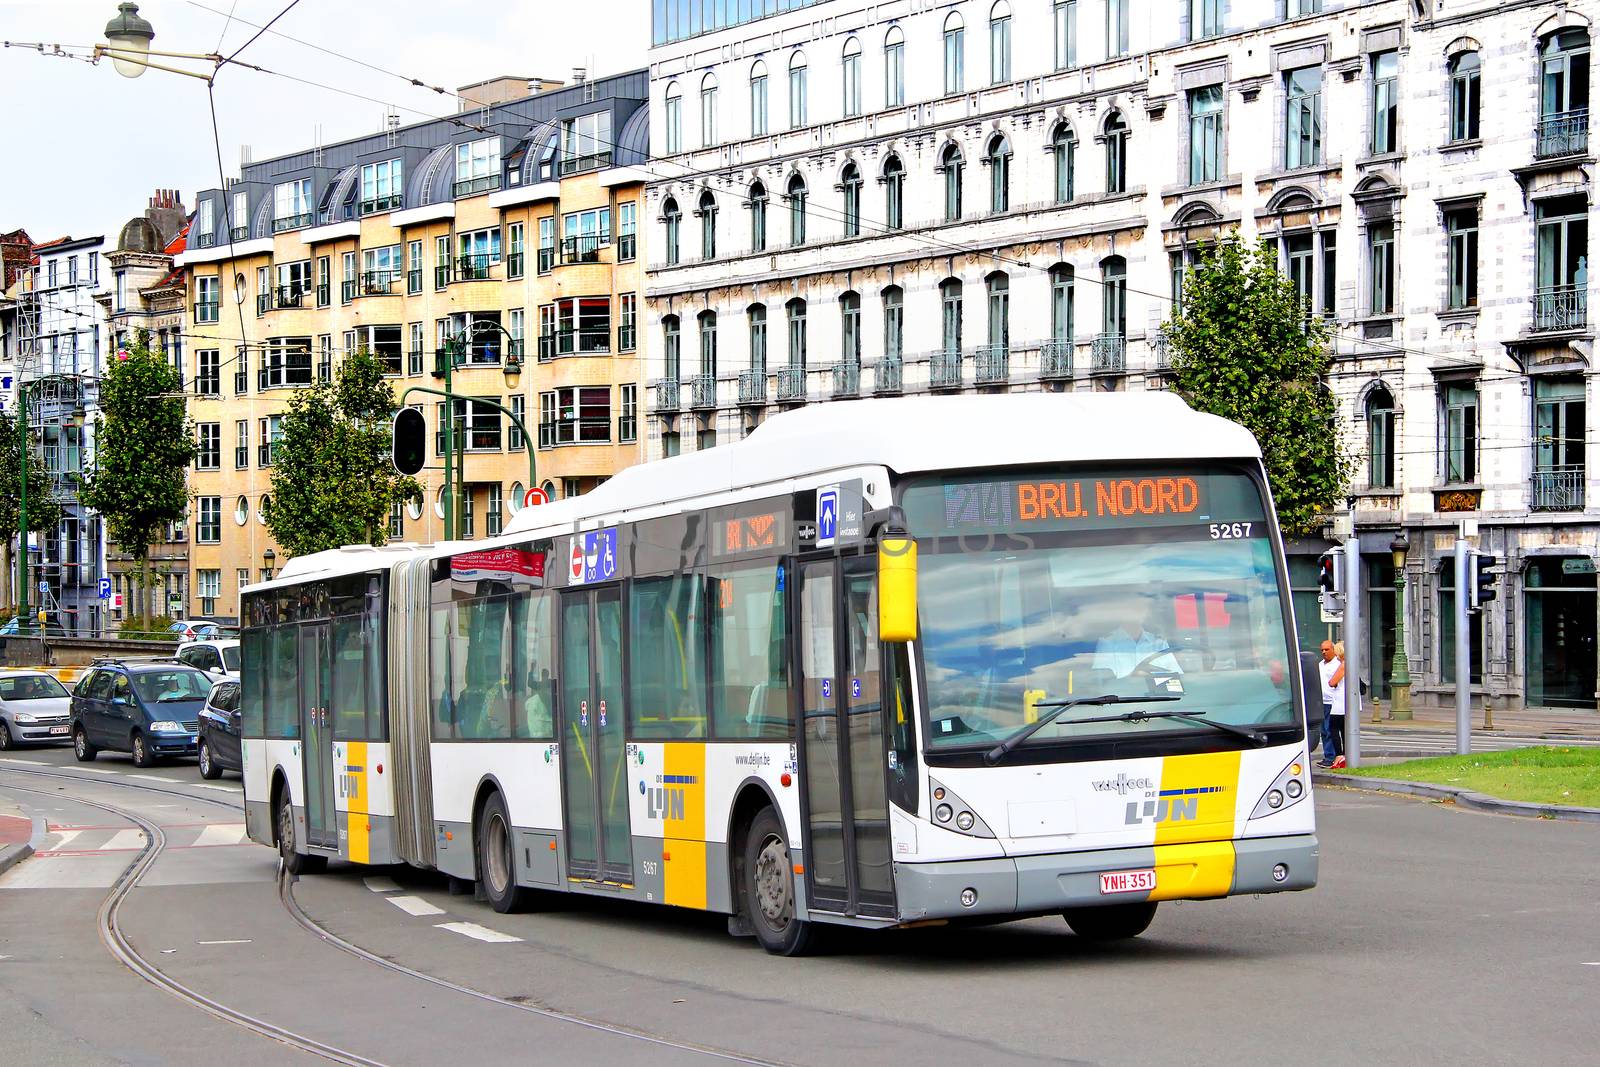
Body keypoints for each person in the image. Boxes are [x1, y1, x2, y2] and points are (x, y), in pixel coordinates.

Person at [1093, 607, 1181, 679]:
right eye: (1132, 609)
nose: (1137, 614)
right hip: (1121, 698)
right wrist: (1132, 677)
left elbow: (1176, 677)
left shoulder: (1159, 643)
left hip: (1160, 699)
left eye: (1140, 609)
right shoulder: (1107, 642)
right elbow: (1103, 682)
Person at [1316, 640, 1340, 767]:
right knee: (1324, 730)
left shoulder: (1338, 664)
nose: (1324, 652)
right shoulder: (1320, 664)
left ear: (1333, 650)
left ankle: (1332, 756)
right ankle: (1329, 755)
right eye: (1322, 650)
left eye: (1326, 649)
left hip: (1333, 701)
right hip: (1322, 701)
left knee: (1329, 729)